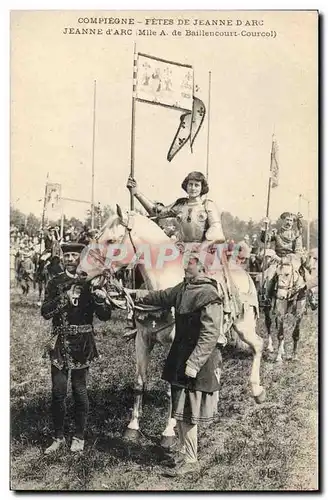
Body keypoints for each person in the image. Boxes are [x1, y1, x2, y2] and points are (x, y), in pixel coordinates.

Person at [134, 253, 226, 477]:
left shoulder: (209, 294)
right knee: (180, 408)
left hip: (197, 361)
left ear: (202, 268)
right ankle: (185, 451)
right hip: (180, 356)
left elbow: (210, 333)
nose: (185, 267)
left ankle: (192, 459)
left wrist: (195, 362)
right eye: (185, 264)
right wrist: (133, 293)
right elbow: (161, 297)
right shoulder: (184, 287)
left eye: (190, 265)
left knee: (188, 412)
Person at [41, 241, 111, 454]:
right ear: (62, 258)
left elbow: (105, 316)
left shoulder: (91, 282)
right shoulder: (55, 282)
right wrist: (64, 297)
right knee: (57, 392)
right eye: (67, 256)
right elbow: (45, 312)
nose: (70, 260)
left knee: (80, 391)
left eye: (74, 256)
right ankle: (58, 436)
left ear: (81, 258)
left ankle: (79, 436)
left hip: (82, 344)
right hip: (59, 343)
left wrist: (100, 300)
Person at [126, 171, 225, 249]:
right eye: (190, 184)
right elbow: (156, 212)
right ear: (186, 186)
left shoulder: (208, 205)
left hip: (203, 252)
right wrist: (136, 193)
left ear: (202, 187)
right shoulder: (180, 204)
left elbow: (216, 231)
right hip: (180, 249)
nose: (193, 188)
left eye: (196, 185)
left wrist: (200, 248)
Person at [260, 212, 310, 299]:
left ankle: (309, 297)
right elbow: (265, 239)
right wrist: (265, 229)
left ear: (293, 222)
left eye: (291, 220)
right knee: (270, 274)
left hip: (292, 260)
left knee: (305, 275)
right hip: (277, 259)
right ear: (283, 220)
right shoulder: (276, 232)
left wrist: (291, 259)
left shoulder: (296, 234)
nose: (289, 222)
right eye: (287, 220)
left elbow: (298, 251)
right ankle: (267, 298)